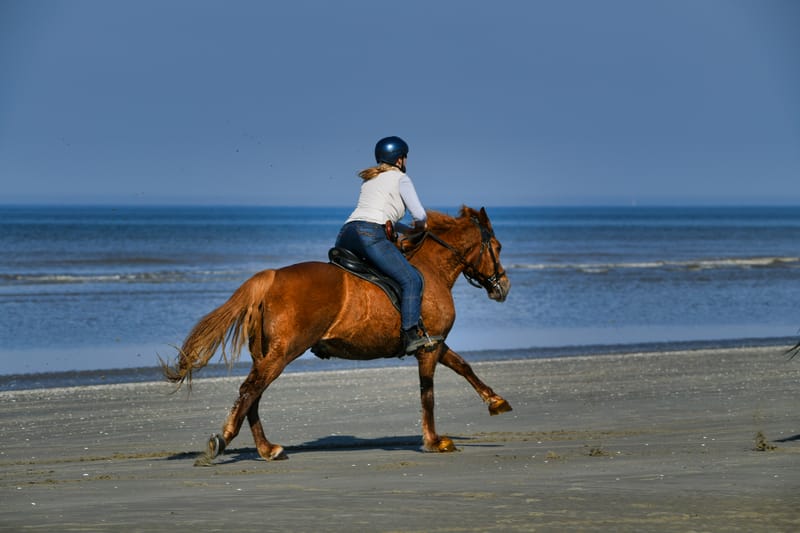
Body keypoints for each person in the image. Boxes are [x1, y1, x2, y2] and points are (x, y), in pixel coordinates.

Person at [335, 136, 438, 354]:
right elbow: (419, 214)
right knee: (411, 279)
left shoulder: (370, 179)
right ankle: (410, 335)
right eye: (405, 158)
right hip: (370, 234)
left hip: (346, 233)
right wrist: (421, 226)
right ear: (400, 159)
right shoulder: (401, 178)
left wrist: (406, 231)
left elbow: (379, 215)